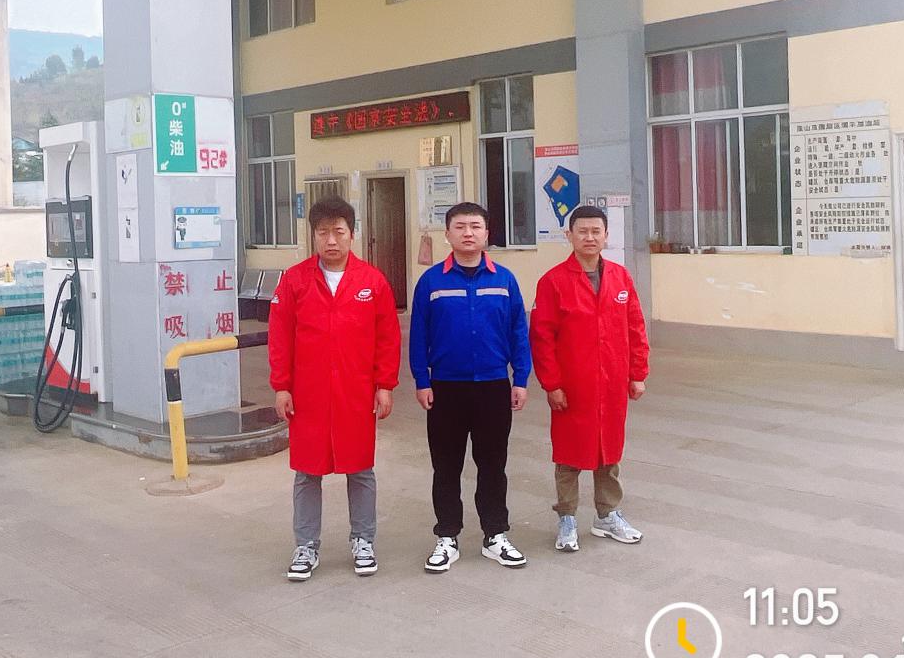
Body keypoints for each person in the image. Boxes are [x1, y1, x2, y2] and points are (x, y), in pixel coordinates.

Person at [268, 196, 401, 582]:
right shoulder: (294, 280)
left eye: (338, 232)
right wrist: (281, 386)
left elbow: (387, 337)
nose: (331, 240)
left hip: (355, 393)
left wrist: (385, 385)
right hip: (307, 394)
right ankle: (306, 545)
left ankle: (363, 540)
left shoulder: (372, 281)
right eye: (323, 232)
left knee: (360, 468)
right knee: (307, 471)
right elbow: (280, 337)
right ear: (313, 236)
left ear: (352, 234)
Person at [410, 202, 531, 572]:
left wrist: (520, 378)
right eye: (460, 226)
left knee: (493, 465)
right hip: (445, 388)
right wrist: (422, 380)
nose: (468, 233)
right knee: (446, 466)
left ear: (486, 233)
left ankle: (495, 534)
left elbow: (518, 332)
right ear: (447, 234)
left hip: (493, 386)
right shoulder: (431, 282)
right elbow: (418, 336)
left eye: (475, 226)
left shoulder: (504, 280)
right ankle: (447, 536)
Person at [529, 205, 649, 553]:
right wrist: (552, 384)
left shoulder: (620, 278)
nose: (590, 237)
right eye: (582, 231)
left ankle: (607, 515)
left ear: (606, 235)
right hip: (573, 386)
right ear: (569, 235)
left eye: (596, 231)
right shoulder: (553, 281)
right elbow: (542, 338)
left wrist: (637, 373)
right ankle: (567, 517)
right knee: (569, 454)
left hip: (612, 383)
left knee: (609, 451)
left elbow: (635, 327)